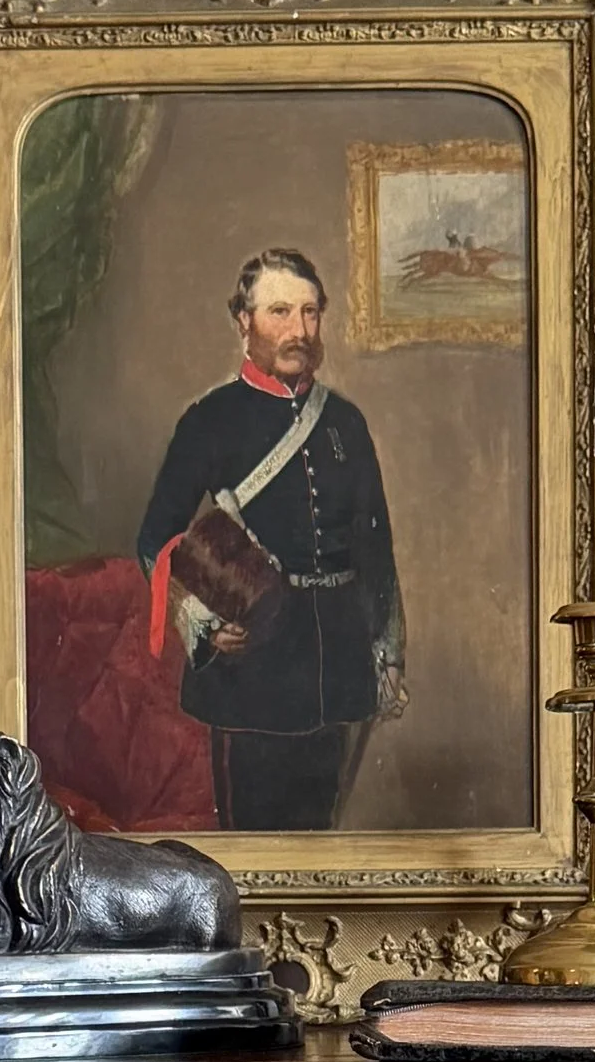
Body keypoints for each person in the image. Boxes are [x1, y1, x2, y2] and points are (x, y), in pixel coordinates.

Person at [135, 248, 406, 831]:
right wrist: (203, 623)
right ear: (244, 322)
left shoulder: (346, 423)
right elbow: (156, 541)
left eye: (310, 313)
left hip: (338, 668)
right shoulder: (208, 421)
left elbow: (375, 550)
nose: (299, 331)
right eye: (280, 312)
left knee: (321, 840)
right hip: (250, 676)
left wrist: (388, 655)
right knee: (255, 850)